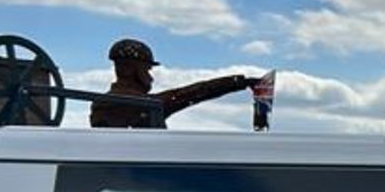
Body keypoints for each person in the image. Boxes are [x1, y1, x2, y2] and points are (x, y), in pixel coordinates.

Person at [90, 39, 261, 128]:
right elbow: (191, 93)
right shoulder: (138, 106)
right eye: (147, 70)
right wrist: (239, 82)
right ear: (131, 69)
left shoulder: (107, 103)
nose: (150, 77)